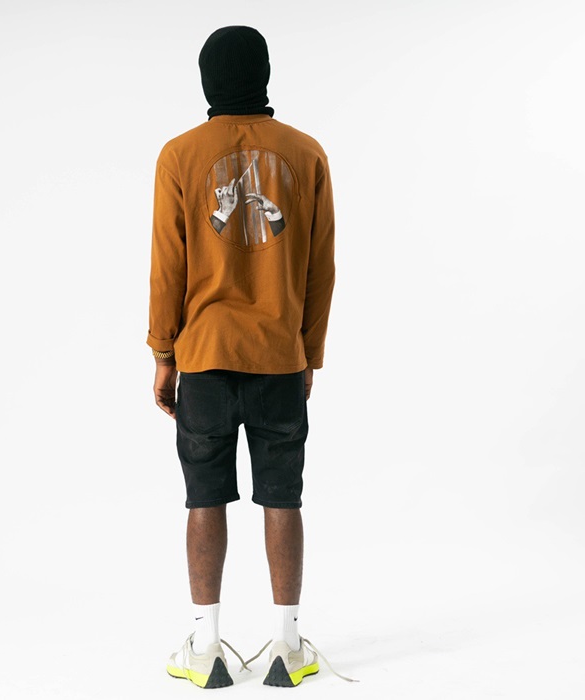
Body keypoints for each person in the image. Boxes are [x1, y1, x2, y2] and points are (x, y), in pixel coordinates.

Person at [146, 25, 343, 688]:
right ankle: (288, 645)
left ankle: (205, 649)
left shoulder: (179, 155)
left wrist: (163, 353)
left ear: (207, 80)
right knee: (282, 497)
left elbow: (167, 266)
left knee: (204, 497)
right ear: (264, 73)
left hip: (203, 356)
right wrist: (309, 353)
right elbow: (321, 268)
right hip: (279, 357)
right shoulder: (306, 153)